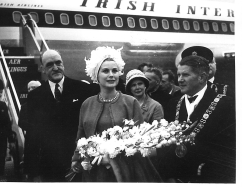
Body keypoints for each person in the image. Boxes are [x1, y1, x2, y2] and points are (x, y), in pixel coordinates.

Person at [71, 46, 162, 182]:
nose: (111, 75)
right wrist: (76, 158)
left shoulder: (130, 102)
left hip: (124, 172)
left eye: (115, 70)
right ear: (97, 75)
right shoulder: (87, 104)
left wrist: (111, 159)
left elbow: (139, 140)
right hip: (93, 170)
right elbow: (81, 135)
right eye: (105, 71)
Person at [157, 55, 235, 183]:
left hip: (207, 178)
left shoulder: (225, 105)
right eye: (179, 75)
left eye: (185, 75)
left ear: (202, 77)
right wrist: (168, 176)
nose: (180, 80)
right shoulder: (173, 103)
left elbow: (228, 151)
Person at [25, 49, 91, 182]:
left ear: (63, 65)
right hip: (49, 165)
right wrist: (32, 170)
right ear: (42, 69)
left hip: (78, 162)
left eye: (58, 63)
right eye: (49, 65)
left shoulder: (82, 89)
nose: (55, 68)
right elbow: (32, 136)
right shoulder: (34, 96)